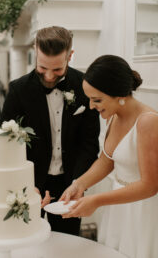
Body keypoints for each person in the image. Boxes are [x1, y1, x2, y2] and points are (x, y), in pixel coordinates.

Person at [0, 26, 100, 235]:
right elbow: (6, 144)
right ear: (35, 51)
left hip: (69, 184)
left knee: (66, 245)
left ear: (70, 56)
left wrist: (78, 184)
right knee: (26, 242)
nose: (48, 76)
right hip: (30, 183)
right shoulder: (18, 90)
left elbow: (89, 143)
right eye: (42, 67)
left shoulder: (85, 86)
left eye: (57, 70)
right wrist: (27, 184)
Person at [60, 55, 158, 258]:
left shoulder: (148, 121)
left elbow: (150, 185)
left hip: (142, 210)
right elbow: (106, 161)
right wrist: (79, 184)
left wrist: (97, 200)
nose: (91, 106)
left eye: (97, 100)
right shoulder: (113, 116)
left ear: (118, 94)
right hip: (118, 207)